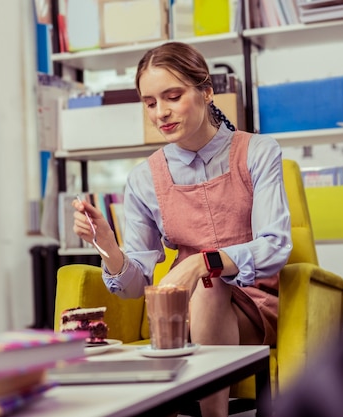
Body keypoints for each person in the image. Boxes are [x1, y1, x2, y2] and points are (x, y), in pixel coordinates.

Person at [72, 41, 292, 417]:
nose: (161, 112)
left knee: (210, 285)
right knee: (183, 299)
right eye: (150, 102)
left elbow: (275, 246)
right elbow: (133, 288)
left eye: (173, 96)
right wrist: (109, 247)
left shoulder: (257, 152)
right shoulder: (143, 178)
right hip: (177, 310)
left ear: (206, 92)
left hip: (250, 305)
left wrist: (205, 263)